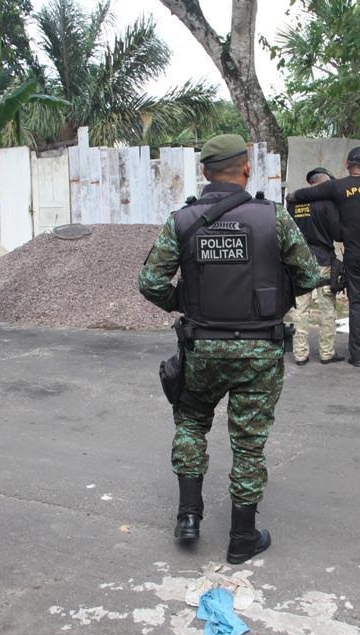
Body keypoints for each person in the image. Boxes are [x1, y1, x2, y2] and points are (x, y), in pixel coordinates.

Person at [138, 134, 321, 565]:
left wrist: (184, 303)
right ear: (246, 169)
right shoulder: (273, 218)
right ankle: (242, 538)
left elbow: (151, 283)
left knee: (190, 425)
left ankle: (188, 517)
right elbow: (310, 276)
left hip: (201, 349)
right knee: (249, 444)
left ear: (204, 174)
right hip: (260, 352)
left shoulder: (182, 221)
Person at [288, 147, 360, 368]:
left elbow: (304, 194)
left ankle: (358, 357)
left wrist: (291, 196)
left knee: (357, 306)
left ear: (347, 165)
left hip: (355, 257)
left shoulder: (337, 187)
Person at [285, 167, 346, 366]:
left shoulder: (294, 204)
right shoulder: (327, 203)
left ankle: (300, 354)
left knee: (300, 309)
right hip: (323, 261)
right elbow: (338, 234)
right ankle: (327, 353)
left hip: (300, 262)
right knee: (327, 307)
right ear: (324, 183)